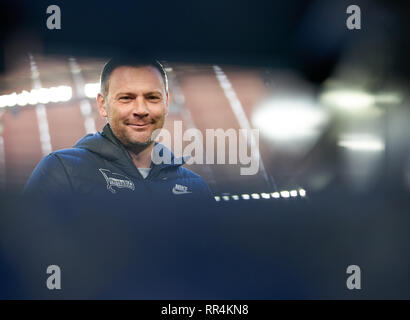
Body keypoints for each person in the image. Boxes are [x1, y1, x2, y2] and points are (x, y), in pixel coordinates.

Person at [24, 57, 212, 199]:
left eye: (152, 97)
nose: (141, 110)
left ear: (166, 103)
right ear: (103, 105)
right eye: (126, 98)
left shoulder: (195, 188)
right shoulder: (62, 171)